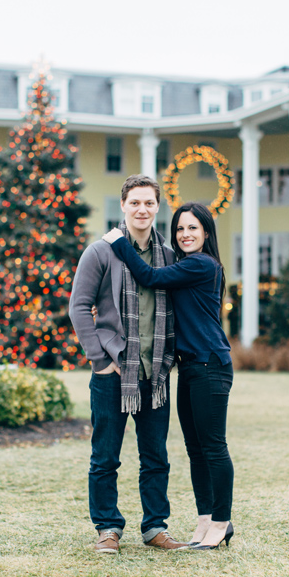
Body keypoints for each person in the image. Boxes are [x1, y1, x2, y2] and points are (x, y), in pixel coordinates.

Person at [102, 201, 235, 550]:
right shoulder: (184, 264)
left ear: (206, 232)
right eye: (179, 229)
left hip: (210, 365)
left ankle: (222, 521)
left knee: (213, 447)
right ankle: (205, 520)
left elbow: (150, 277)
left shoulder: (202, 265)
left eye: (193, 228)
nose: (185, 234)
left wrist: (119, 243)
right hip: (189, 366)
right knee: (195, 449)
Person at [68, 174, 188, 554]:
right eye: (135, 202)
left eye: (149, 203)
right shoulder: (100, 252)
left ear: (158, 207)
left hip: (155, 375)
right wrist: (100, 361)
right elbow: (78, 308)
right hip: (113, 373)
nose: (142, 209)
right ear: (123, 205)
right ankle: (107, 527)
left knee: (157, 458)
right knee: (105, 456)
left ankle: (155, 527)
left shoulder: (169, 256)